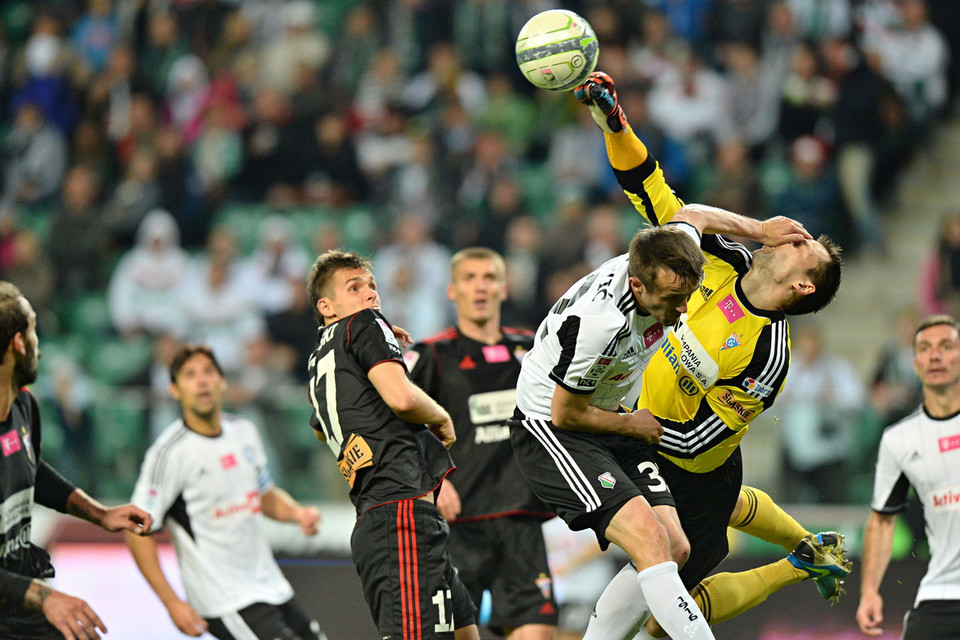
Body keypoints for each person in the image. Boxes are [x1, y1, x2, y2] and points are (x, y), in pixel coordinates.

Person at [508, 108, 817, 639]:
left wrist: (759, 229)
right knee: (653, 545)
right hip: (553, 428)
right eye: (671, 303)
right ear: (637, 287)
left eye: (685, 299)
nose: (679, 314)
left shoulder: (673, 260)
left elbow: (691, 213)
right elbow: (568, 412)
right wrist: (636, 425)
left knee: (676, 547)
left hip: (619, 416)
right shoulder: (599, 328)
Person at [571, 71, 849, 639]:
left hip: (688, 475)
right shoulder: (722, 262)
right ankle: (805, 548)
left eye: (804, 247)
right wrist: (613, 122)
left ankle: (793, 564)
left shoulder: (767, 354)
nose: (793, 236)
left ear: (803, 287)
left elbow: (698, 440)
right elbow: (660, 199)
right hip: (639, 434)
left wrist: (613, 425)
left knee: (654, 621)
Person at [305, 250, 479, 640]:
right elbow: (401, 399)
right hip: (399, 512)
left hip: (380, 517)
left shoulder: (319, 361)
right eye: (354, 287)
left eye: (372, 286)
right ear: (326, 306)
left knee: (465, 630)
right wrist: (440, 415)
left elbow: (321, 429)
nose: (370, 296)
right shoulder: (366, 325)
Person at [125, 344, 326, 640]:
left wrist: (298, 514)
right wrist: (171, 602)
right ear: (175, 390)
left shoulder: (244, 431)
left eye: (208, 372)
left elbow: (264, 495)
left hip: (270, 584)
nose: (202, 380)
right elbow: (135, 528)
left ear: (222, 382)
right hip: (223, 598)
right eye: (190, 375)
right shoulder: (169, 453)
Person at [407, 247, 557, 640]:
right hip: (457, 531)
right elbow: (397, 427)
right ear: (452, 290)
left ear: (503, 288)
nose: (480, 286)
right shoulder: (432, 355)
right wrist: (434, 483)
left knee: (540, 632)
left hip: (521, 522)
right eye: (469, 278)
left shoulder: (534, 350)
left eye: (489, 277)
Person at [0, 281, 153, 640]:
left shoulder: (24, 406)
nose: (40, 346)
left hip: (17, 600)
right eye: (34, 331)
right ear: (19, 343)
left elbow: (28, 468)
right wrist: (45, 596)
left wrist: (99, 513)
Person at [857, 315, 960, 639]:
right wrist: (870, 590)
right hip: (940, 597)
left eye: (946, 346)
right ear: (915, 364)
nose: (935, 356)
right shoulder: (900, 439)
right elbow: (883, 520)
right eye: (925, 348)